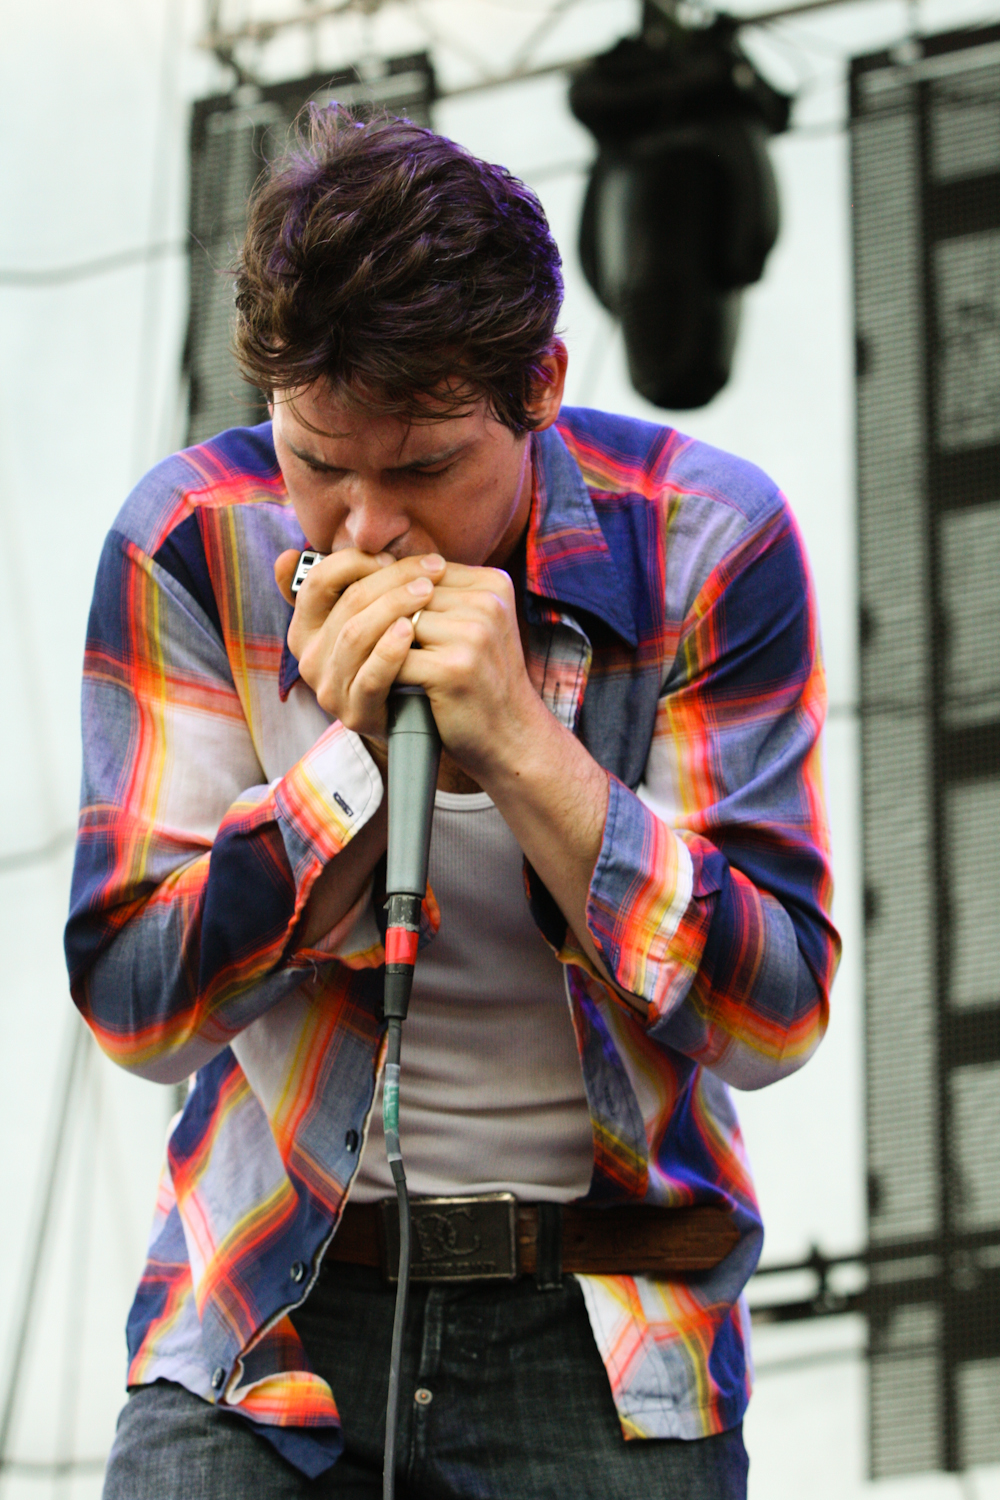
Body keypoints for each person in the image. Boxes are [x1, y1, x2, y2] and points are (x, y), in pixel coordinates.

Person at [65, 107, 839, 1499]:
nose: (366, 528)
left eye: (422, 468)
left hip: (600, 1327)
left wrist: (524, 745)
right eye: (319, 462)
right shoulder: (194, 542)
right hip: (266, 1303)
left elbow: (772, 1015)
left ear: (539, 386)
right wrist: (349, 766)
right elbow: (138, 1012)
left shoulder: (708, 541)